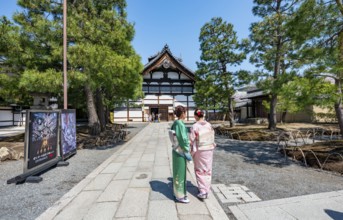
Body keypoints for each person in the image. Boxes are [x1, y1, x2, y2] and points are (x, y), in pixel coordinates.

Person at [190, 108, 216, 200]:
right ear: (203, 115)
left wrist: (189, 150)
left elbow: (191, 140)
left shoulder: (195, 126)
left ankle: (203, 191)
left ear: (196, 115)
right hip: (209, 149)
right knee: (208, 170)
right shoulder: (209, 125)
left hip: (200, 150)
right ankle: (207, 189)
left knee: (200, 170)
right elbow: (212, 136)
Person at [171, 105, 191, 203]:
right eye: (185, 112)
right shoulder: (180, 123)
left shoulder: (175, 123)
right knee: (181, 172)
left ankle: (177, 193)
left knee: (177, 172)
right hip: (180, 151)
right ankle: (180, 196)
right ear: (182, 113)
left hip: (176, 150)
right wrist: (187, 149)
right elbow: (182, 139)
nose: (185, 114)